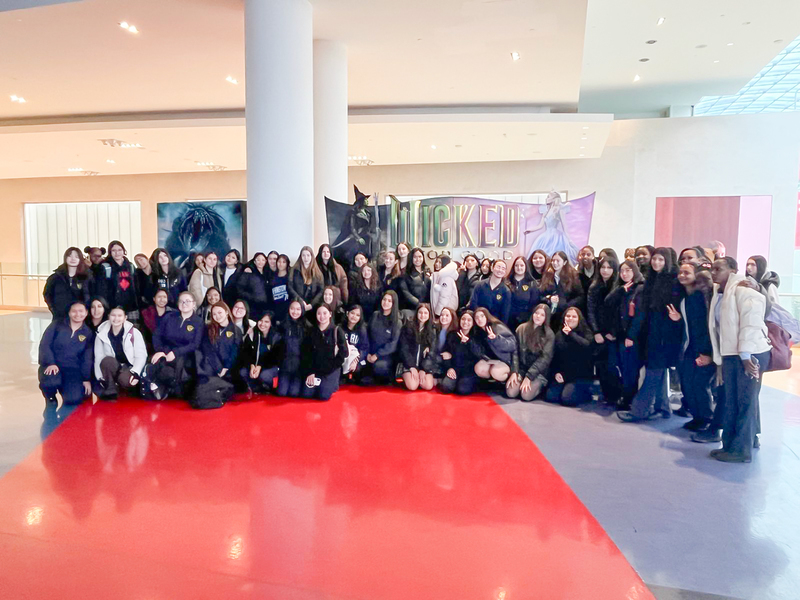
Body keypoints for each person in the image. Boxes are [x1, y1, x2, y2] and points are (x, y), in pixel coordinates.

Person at [707, 257, 771, 462]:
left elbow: (751, 323)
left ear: (733, 270)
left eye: (719, 269)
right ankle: (730, 445)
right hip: (733, 354)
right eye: (712, 269)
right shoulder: (720, 293)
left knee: (745, 401)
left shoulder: (743, 289)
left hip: (749, 353)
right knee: (732, 401)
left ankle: (741, 451)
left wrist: (745, 355)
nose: (714, 273)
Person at [618, 248, 681, 422]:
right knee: (657, 372)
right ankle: (663, 408)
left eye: (661, 260)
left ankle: (639, 410)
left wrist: (676, 319)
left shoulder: (673, 281)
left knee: (653, 373)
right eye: (655, 259)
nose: (656, 263)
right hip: (652, 333)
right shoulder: (652, 280)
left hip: (664, 335)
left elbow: (676, 309)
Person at [669, 262, 715, 432]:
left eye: (687, 272)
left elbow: (702, 326)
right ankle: (698, 417)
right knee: (688, 384)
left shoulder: (698, 296)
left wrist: (705, 352)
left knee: (699, 385)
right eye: (680, 272)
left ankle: (706, 418)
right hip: (689, 348)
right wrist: (679, 319)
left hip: (700, 349)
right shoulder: (687, 296)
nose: (682, 275)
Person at [149, 291, 204, 399]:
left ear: (194, 304)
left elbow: (195, 344)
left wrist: (175, 353)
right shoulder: (169, 317)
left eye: (188, 301)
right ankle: (165, 386)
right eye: (181, 301)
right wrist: (160, 351)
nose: (184, 304)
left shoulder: (198, 322)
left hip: (186, 354)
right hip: (165, 350)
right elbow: (157, 335)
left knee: (178, 364)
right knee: (156, 362)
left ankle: (172, 387)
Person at [605, 259, 644, 409]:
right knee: (622, 367)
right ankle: (624, 396)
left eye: (628, 270)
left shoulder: (639, 289)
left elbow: (639, 315)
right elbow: (608, 303)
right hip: (619, 335)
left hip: (631, 337)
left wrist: (631, 336)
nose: (625, 273)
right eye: (622, 271)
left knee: (631, 369)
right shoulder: (622, 288)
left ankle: (629, 400)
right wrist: (620, 290)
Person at [38, 301, 94, 406]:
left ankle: (67, 390)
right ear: (69, 313)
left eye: (81, 311)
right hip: (54, 365)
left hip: (72, 369)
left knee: (74, 399)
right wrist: (50, 363)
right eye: (74, 311)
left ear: (86, 313)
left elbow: (87, 358)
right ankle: (51, 398)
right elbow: (45, 344)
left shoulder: (88, 333)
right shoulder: (56, 325)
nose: (78, 314)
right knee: (50, 382)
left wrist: (86, 379)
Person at [93, 306, 147, 400]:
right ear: (109, 316)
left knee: (124, 380)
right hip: (115, 366)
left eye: (119, 316)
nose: (116, 318)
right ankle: (111, 389)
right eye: (113, 315)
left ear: (125, 318)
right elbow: (98, 356)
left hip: (130, 367)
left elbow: (141, 355)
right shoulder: (101, 334)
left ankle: (126, 385)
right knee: (106, 361)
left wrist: (135, 372)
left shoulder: (134, 332)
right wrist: (100, 377)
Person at [546, 307, 594, 406]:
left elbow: (587, 347)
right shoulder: (559, 335)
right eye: (568, 316)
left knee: (567, 399)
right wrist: (557, 373)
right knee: (551, 396)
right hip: (564, 374)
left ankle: (587, 393)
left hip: (579, 375)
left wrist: (571, 334)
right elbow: (556, 357)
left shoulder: (586, 333)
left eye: (574, 316)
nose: (570, 318)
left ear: (579, 319)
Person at [587, 256, 619, 403]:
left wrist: (612, 332)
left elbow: (619, 312)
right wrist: (597, 332)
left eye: (609, 267)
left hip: (613, 333)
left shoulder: (618, 287)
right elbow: (591, 311)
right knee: (600, 365)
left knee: (613, 365)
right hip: (599, 332)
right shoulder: (594, 287)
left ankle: (615, 396)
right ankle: (606, 396)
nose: (605, 271)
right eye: (603, 267)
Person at [507, 303, 554, 401]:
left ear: (546, 318)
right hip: (522, 369)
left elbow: (545, 359)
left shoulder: (549, 335)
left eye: (542, 315)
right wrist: (514, 372)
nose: (538, 316)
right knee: (511, 392)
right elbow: (515, 351)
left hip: (538, 373)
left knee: (526, 395)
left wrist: (529, 376)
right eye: (536, 313)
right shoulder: (521, 329)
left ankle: (540, 387)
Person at [301, 304, 349, 401]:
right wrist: (310, 372)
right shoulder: (312, 331)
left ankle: (333, 383)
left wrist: (331, 367)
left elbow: (344, 353)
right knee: (306, 394)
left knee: (323, 395)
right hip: (316, 369)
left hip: (332, 368)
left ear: (330, 314)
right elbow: (306, 353)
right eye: (319, 313)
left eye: (324, 313)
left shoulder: (337, 330)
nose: (322, 316)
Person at [197, 302, 242, 385]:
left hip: (229, 366)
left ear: (226, 312)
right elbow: (207, 349)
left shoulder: (236, 330)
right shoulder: (208, 329)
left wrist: (226, 367)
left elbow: (235, 351)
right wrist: (219, 368)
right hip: (212, 364)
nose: (217, 316)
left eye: (219, 312)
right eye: (214, 314)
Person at [538, 250, 583, 330]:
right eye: (553, 260)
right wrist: (549, 299)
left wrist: (567, 305)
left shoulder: (572, 276)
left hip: (565, 316)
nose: (555, 263)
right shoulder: (547, 275)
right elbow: (540, 295)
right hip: (549, 316)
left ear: (565, 262)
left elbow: (580, 296)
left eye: (558, 261)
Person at [43, 246, 91, 320]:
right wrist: (53, 309)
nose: (73, 259)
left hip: (80, 318)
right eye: (70, 256)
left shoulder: (86, 277)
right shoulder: (55, 277)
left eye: (76, 256)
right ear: (65, 258)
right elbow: (47, 294)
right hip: (60, 317)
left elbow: (89, 296)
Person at [440, 310, 481, 396]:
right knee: (445, 387)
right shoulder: (452, 335)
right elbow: (445, 353)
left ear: (473, 323)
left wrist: (468, 342)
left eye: (469, 320)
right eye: (463, 319)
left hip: (469, 371)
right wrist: (449, 368)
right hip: (455, 368)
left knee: (462, 390)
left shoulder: (476, 336)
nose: (465, 322)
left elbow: (478, 354)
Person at [365, 290, 402, 383]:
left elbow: (393, 344)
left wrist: (377, 355)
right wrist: (368, 352)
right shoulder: (375, 315)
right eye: (384, 299)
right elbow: (367, 335)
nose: (386, 302)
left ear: (394, 303)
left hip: (385, 355)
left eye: (389, 301)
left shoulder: (397, 322)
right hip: (370, 352)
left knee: (379, 367)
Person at [240, 312, 281, 394]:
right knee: (243, 372)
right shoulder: (252, 334)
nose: (262, 324)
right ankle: (257, 388)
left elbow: (275, 358)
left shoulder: (276, 337)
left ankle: (271, 389)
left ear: (271, 324)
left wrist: (260, 367)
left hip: (270, 367)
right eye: (260, 321)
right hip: (255, 366)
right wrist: (251, 365)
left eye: (266, 322)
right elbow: (246, 353)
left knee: (264, 376)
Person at [97, 241, 139, 321]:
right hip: (112, 307)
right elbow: (101, 289)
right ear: (110, 252)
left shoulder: (130, 266)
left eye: (119, 250)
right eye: (114, 250)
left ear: (124, 251)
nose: (117, 253)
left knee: (131, 331)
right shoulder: (105, 267)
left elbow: (136, 287)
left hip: (131, 307)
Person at [472, 307, 516, 384]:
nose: (480, 319)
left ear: (487, 316)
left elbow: (512, 345)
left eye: (482, 316)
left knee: (496, 371)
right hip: (491, 360)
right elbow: (480, 352)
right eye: (477, 317)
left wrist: (496, 339)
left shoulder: (497, 326)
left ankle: (504, 380)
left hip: (505, 361)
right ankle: (494, 383)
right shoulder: (478, 332)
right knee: (479, 368)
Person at [399, 303, 436, 391]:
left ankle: (423, 378)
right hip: (409, 364)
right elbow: (404, 348)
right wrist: (411, 366)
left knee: (428, 386)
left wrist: (424, 369)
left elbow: (432, 352)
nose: (423, 315)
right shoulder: (407, 327)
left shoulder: (433, 330)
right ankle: (407, 377)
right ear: (416, 313)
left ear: (429, 315)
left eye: (425, 313)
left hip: (424, 365)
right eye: (420, 312)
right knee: (412, 386)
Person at [276, 300, 308, 397]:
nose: (295, 311)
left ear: (302, 310)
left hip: (299, 367)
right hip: (285, 366)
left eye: (298, 309)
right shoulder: (282, 325)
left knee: (294, 393)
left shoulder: (307, 326)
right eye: (292, 308)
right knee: (281, 393)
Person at [469, 259, 512, 324]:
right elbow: (473, 303)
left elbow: (505, 314)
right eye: (498, 267)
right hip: (478, 322)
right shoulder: (480, 285)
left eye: (503, 268)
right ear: (492, 268)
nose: (500, 270)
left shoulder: (506, 291)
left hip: (495, 324)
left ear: (505, 272)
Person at [506, 256, 539, 331]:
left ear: (526, 267)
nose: (519, 268)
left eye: (522, 265)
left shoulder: (532, 284)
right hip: (507, 320)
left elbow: (533, 305)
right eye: (516, 265)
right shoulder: (506, 282)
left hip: (524, 321)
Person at [289, 245, 324, 314]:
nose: (306, 258)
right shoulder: (294, 271)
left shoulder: (318, 273)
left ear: (312, 257)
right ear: (300, 257)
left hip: (313, 307)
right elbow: (290, 287)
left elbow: (321, 290)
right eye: (303, 255)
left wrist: (312, 304)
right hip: (297, 307)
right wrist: (300, 301)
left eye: (308, 255)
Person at [239, 252, 271, 320]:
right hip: (252, 306)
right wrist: (251, 297)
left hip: (265, 307)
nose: (260, 262)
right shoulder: (248, 272)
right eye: (258, 260)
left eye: (263, 260)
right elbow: (240, 288)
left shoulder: (267, 273)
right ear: (254, 261)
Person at [399, 247, 431, 315]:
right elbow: (405, 292)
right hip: (411, 309)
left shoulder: (428, 272)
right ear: (411, 258)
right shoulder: (405, 274)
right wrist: (419, 304)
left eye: (420, 256)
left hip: (426, 310)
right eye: (415, 257)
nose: (418, 259)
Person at [342, 305, 370, 381]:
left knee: (357, 370)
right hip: (343, 357)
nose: (354, 316)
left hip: (356, 357)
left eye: (357, 315)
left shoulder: (362, 330)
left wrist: (356, 360)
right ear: (347, 313)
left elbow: (365, 348)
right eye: (352, 313)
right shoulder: (340, 328)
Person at [269, 254, 292, 324]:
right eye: (279, 261)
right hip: (276, 310)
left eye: (284, 262)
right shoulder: (272, 278)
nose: (281, 264)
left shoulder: (290, 277)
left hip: (288, 310)